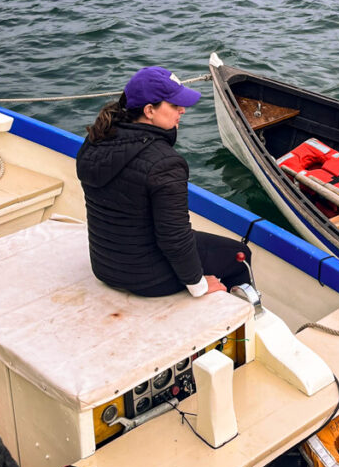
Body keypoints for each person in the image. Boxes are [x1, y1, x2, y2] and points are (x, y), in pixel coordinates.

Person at [76, 65, 253, 298]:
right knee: (240, 255)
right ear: (149, 110)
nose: (183, 110)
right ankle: (241, 322)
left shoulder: (95, 140)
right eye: (174, 105)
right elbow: (174, 237)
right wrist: (198, 284)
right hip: (150, 279)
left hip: (106, 267)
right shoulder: (165, 162)